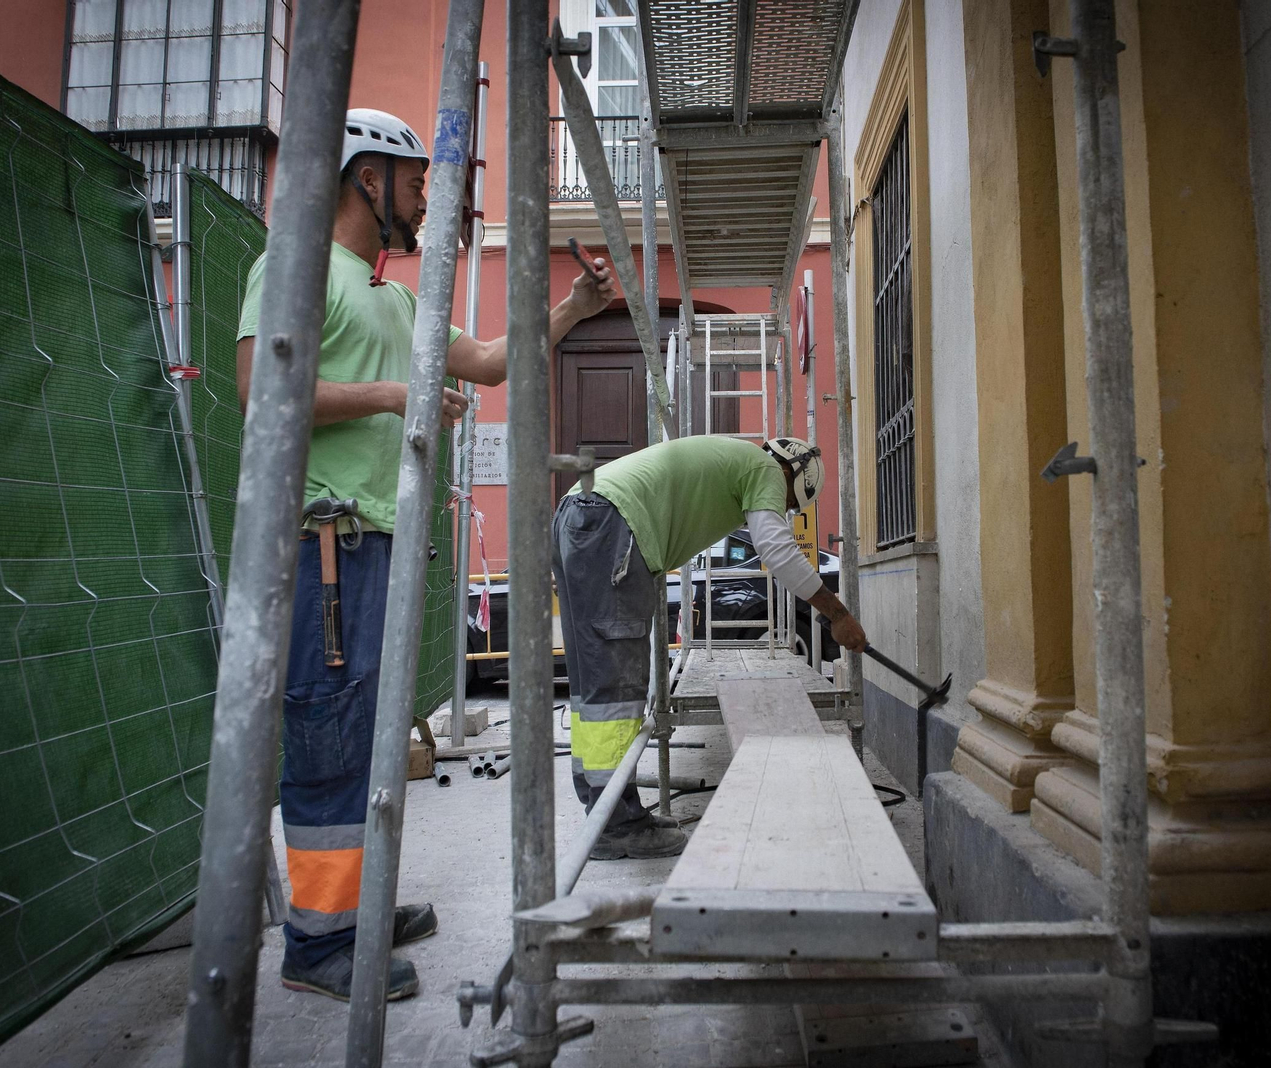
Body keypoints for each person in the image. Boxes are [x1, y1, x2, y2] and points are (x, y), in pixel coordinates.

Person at [234, 108, 616, 1003]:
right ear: (368, 178)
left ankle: (352, 910)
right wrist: (392, 395)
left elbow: (485, 360)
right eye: (414, 182)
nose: (424, 201)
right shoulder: (292, 268)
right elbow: (261, 388)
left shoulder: (400, 298)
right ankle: (318, 944)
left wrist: (570, 309)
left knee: (366, 735)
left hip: (380, 547)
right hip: (325, 545)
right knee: (327, 733)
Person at [553, 435, 867, 860]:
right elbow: (776, 549)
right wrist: (838, 613)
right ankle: (615, 825)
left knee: (595, 685)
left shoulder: (733, 459)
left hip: (584, 512)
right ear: (793, 475)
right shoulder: (766, 470)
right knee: (615, 689)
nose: (784, 510)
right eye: (790, 505)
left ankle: (606, 813)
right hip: (614, 524)